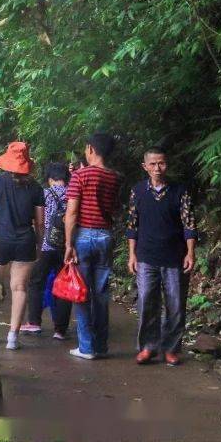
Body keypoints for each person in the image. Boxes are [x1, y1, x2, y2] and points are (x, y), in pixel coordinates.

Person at [126, 148, 197, 366]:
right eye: (153, 164)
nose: (158, 168)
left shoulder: (180, 191)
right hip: (146, 256)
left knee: (175, 304)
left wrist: (190, 253)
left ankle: (171, 348)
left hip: (175, 257)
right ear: (145, 166)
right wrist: (132, 255)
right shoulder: (137, 191)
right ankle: (148, 347)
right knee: (147, 302)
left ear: (167, 165)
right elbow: (132, 225)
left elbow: (189, 223)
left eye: (162, 163)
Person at [64, 133, 122, 360]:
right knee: (101, 293)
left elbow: (72, 212)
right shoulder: (115, 177)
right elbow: (114, 208)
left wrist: (69, 244)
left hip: (84, 236)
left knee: (81, 292)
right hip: (105, 236)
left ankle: (86, 347)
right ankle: (101, 345)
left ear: (90, 149)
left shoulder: (80, 176)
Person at [0, 142, 45, 350]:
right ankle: (12, 337)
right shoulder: (36, 188)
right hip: (25, 240)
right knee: (20, 288)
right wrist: (38, 243)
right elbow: (40, 222)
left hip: (0, 239)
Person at [24, 162, 72, 339]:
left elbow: (39, 221)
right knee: (63, 286)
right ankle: (60, 330)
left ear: (50, 179)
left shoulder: (43, 194)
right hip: (66, 248)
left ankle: (34, 323)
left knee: (36, 282)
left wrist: (38, 241)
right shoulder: (73, 194)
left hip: (46, 246)